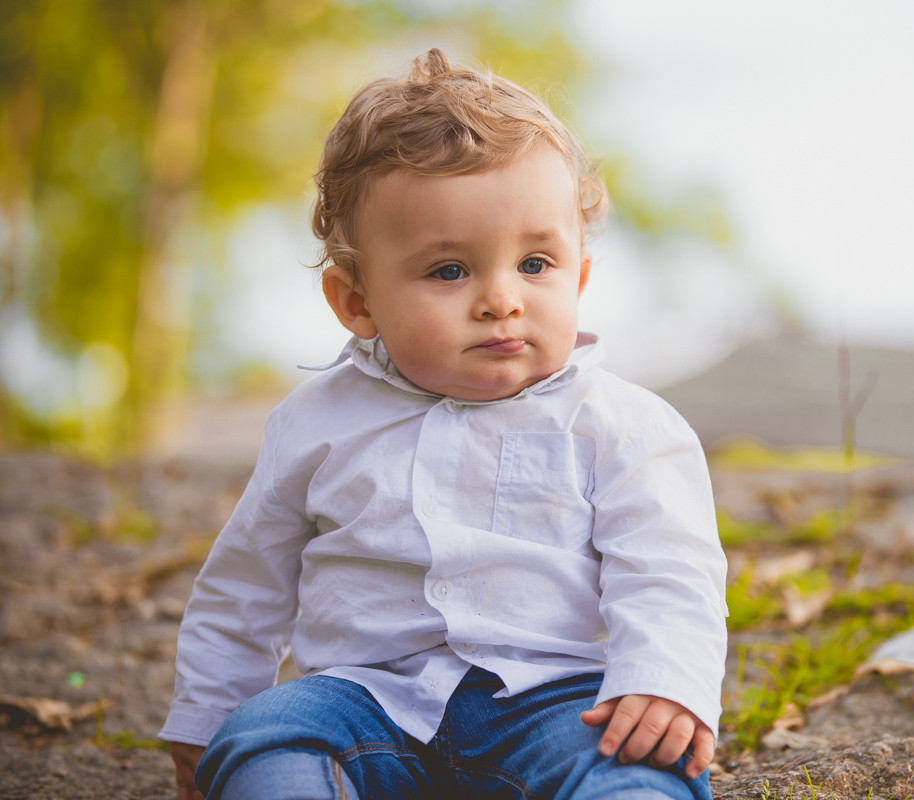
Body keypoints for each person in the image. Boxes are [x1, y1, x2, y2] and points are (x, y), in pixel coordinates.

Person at [159, 47, 727, 800]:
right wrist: (206, 718)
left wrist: (662, 681)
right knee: (264, 736)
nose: (502, 299)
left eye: (535, 264)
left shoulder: (621, 424)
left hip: (554, 699)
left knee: (635, 769)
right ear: (356, 301)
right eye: (449, 271)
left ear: (581, 274)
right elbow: (245, 585)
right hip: (362, 701)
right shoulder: (316, 423)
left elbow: (670, 570)